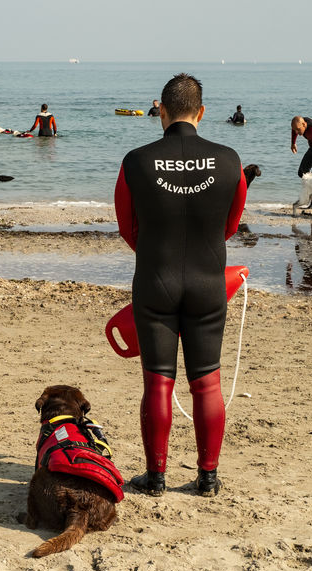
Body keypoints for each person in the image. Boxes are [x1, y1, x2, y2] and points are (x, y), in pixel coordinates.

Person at [114, 73, 247, 497]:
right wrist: (201, 251)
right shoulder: (229, 159)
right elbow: (230, 225)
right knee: (206, 381)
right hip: (208, 281)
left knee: (157, 382)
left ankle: (155, 478)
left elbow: (126, 227)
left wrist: (158, 252)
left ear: (161, 111)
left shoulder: (136, 160)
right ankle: (207, 478)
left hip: (156, 280)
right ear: (202, 112)